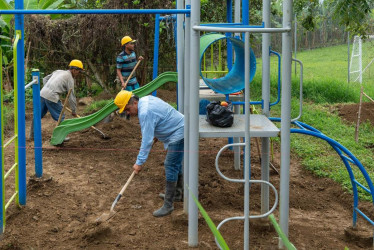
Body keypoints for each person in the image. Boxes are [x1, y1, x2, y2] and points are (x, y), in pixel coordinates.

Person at [114, 90, 184, 217]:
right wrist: (157, 134)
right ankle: (177, 195)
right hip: (177, 128)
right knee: (175, 164)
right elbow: (161, 116)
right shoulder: (146, 100)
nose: (128, 113)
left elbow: (146, 141)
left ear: (134, 102)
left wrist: (139, 163)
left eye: (128, 109)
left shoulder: (145, 112)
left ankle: (168, 205)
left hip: (178, 132)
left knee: (170, 165)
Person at [29, 60, 83, 141]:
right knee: (60, 116)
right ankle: (60, 137)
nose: (79, 74)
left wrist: (48, 89)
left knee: (37, 115)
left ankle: (32, 136)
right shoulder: (70, 79)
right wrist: (74, 110)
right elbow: (71, 96)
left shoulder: (59, 71)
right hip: (51, 96)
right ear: (74, 70)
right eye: (79, 71)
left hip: (42, 93)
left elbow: (44, 79)